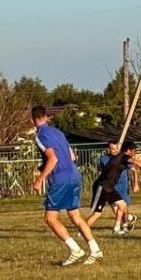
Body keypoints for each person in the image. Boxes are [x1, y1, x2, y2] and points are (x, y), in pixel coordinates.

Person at [31, 105, 103, 266]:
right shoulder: (58, 132)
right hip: (74, 175)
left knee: (50, 218)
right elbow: (71, 155)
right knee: (75, 216)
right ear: (46, 117)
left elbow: (53, 158)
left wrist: (40, 179)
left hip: (60, 178)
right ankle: (95, 249)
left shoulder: (40, 135)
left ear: (32, 119)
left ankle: (75, 250)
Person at [88, 140, 138, 235]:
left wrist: (135, 184)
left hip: (122, 186)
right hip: (109, 186)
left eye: (117, 149)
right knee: (115, 210)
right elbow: (103, 172)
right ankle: (130, 219)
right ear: (108, 149)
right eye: (113, 149)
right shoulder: (103, 159)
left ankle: (122, 227)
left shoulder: (123, 157)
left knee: (123, 206)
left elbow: (133, 169)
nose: (115, 151)